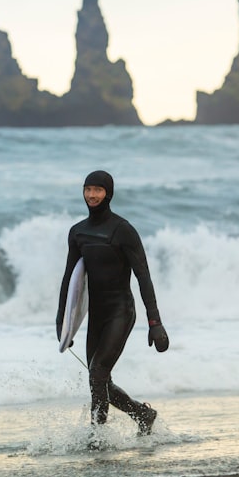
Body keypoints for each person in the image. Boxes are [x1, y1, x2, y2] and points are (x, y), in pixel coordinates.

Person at [56, 170, 169, 435]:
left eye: (98, 190)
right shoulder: (78, 233)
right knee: (100, 381)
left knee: (97, 373)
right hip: (96, 315)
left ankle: (97, 438)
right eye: (88, 189)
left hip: (121, 311)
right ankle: (143, 414)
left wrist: (155, 323)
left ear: (109, 193)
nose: (92, 195)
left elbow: (143, 276)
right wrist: (64, 321)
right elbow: (69, 278)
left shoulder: (123, 230)